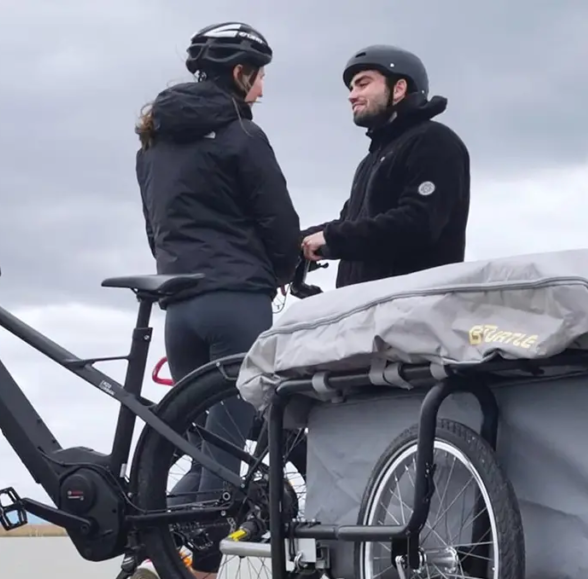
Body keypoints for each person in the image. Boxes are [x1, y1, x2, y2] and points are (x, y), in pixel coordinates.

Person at [132, 21, 302, 579]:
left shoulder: (152, 144)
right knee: (224, 454)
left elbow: (156, 229)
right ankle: (180, 562)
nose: (261, 91)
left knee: (204, 440)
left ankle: (159, 548)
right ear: (238, 72)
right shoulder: (241, 135)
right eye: (258, 78)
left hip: (179, 307)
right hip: (236, 302)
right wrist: (289, 268)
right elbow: (278, 221)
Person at [300, 45, 471, 287]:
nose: (351, 95)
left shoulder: (433, 141)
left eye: (363, 84)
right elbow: (348, 223)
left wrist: (333, 239)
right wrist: (296, 242)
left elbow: (419, 223)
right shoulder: (371, 160)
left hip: (412, 307)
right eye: (351, 88)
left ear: (399, 88)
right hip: (362, 309)